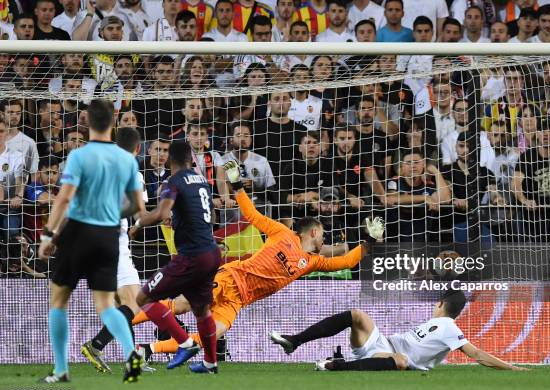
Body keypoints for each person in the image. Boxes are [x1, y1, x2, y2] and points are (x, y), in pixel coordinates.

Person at [131, 160, 385, 359]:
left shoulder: (312, 262)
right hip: (230, 278)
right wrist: (238, 186)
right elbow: (252, 214)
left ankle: (148, 349)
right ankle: (124, 320)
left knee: (212, 335)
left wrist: (368, 243)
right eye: (322, 236)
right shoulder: (282, 233)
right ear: (314, 232)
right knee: (182, 305)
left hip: (239, 300)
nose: (324, 241)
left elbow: (346, 262)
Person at [37, 99, 145, 383]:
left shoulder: (80, 156)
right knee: (107, 306)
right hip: (109, 237)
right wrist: (111, 214)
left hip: (78, 233)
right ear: (113, 123)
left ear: (87, 124)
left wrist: (49, 234)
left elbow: (64, 197)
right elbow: (136, 206)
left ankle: (61, 370)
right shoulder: (126, 160)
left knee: (59, 302)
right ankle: (131, 354)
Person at [129, 140, 222, 374]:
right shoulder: (202, 180)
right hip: (211, 252)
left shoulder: (173, 182)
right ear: (191, 159)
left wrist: (137, 224)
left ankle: (185, 342)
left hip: (191, 256)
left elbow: (161, 214)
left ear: (170, 160)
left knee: (143, 297)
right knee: (201, 310)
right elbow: (206, 214)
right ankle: (210, 363)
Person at [270, 290, 527, 371]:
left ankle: (337, 366)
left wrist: (510, 367)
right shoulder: (439, 324)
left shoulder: (450, 327)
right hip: (384, 343)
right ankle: (295, 340)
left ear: (440, 304)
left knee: (400, 362)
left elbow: (477, 354)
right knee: (357, 316)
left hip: (390, 357)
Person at [79, 127, 152, 373]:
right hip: (113, 241)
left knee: (124, 301)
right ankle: (96, 345)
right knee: (133, 304)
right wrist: (166, 212)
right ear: (138, 149)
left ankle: (132, 360)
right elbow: (141, 213)